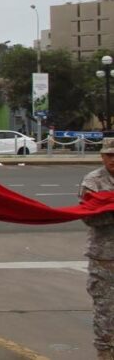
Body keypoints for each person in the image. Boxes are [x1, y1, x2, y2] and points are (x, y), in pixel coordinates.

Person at [81, 138, 114, 359]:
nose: (113, 160)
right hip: (105, 258)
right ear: (102, 156)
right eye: (109, 155)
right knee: (106, 311)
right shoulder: (93, 181)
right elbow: (89, 217)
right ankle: (105, 352)